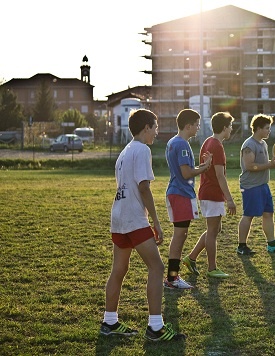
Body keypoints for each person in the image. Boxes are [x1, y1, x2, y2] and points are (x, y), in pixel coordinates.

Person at [100, 109, 185, 342]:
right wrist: (156, 221)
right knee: (157, 268)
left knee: (119, 269)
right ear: (146, 127)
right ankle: (155, 328)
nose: (157, 133)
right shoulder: (142, 149)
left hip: (118, 217)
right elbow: (143, 187)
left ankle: (109, 321)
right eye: (155, 127)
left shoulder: (124, 152)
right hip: (133, 219)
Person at [182, 112, 237, 278]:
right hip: (212, 193)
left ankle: (191, 258)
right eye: (230, 126)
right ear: (224, 128)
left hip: (206, 192)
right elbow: (220, 176)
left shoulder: (207, 141)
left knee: (215, 228)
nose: (232, 129)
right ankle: (212, 268)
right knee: (213, 231)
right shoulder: (217, 146)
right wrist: (230, 199)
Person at [164, 108, 212, 289]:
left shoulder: (173, 142)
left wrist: (200, 166)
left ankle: (172, 277)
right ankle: (172, 278)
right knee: (179, 236)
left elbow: (185, 170)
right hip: (181, 193)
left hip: (178, 191)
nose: (198, 128)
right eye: (197, 125)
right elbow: (186, 173)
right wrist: (204, 168)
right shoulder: (182, 144)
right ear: (188, 125)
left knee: (180, 235)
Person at [236, 114, 275, 255]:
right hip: (251, 186)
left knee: (268, 214)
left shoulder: (263, 144)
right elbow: (249, 166)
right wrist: (270, 164)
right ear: (258, 128)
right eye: (267, 128)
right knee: (248, 215)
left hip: (263, 185)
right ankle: (241, 246)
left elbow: (265, 165)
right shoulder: (249, 144)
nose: (269, 131)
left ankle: (272, 245)